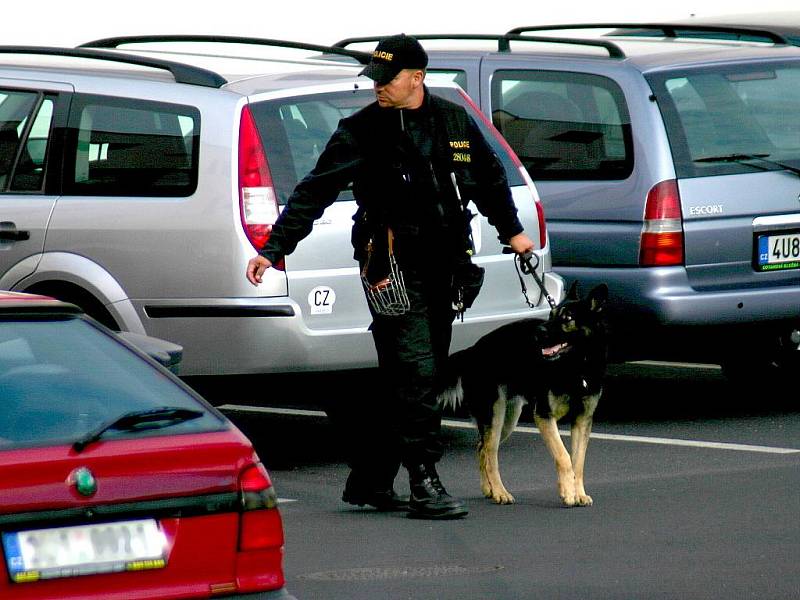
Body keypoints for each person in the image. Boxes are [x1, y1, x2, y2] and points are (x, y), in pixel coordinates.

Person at [246, 34, 534, 520]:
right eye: (374, 79)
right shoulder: (360, 130)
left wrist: (515, 233)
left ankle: (371, 482)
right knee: (418, 372)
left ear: (416, 78)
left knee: (411, 375)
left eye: (387, 79)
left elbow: (487, 180)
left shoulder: (453, 119)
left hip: (447, 265)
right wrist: (274, 249)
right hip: (391, 267)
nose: (378, 87)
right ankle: (425, 483)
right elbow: (313, 191)